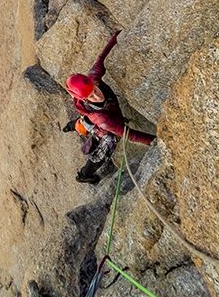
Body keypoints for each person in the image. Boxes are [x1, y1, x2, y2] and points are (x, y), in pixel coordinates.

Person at [63, 30, 154, 184]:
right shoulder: (102, 119)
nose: (97, 95)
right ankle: (84, 175)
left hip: (92, 117)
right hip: (104, 127)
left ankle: (71, 126)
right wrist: (154, 141)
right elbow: (129, 134)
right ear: (84, 99)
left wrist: (116, 37)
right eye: (91, 96)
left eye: (95, 90)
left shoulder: (93, 79)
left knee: (84, 122)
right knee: (103, 150)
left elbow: (101, 59)